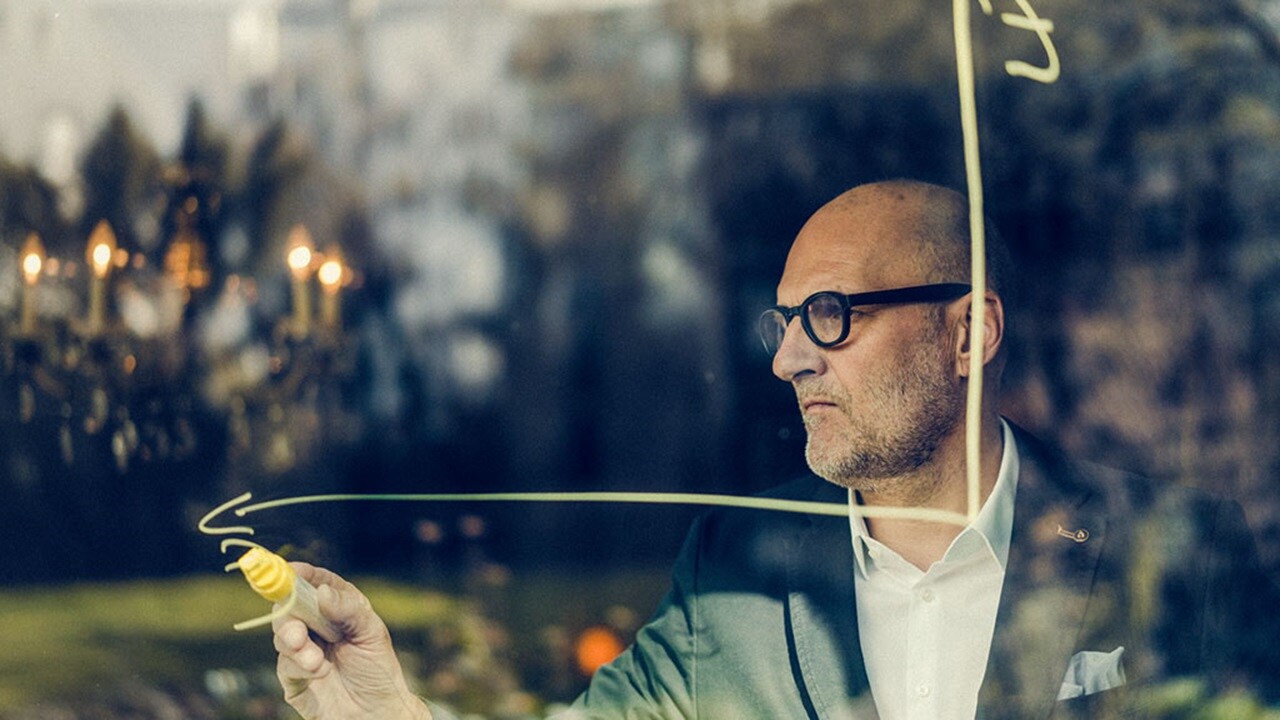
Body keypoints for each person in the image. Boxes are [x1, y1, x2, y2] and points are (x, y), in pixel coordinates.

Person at [271, 180, 1279, 719]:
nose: (788, 358)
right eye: (784, 321)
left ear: (966, 332)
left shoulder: (1173, 552)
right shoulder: (732, 571)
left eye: (830, 315)